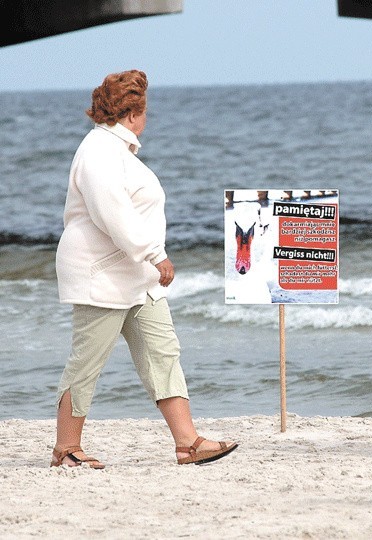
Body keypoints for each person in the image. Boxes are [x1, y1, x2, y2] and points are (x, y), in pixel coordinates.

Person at [51, 70, 238, 468]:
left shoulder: (118, 150)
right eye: (145, 110)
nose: (147, 118)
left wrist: (149, 261)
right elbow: (113, 214)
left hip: (136, 277)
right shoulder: (99, 150)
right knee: (87, 361)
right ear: (133, 113)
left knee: (163, 352)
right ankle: (66, 448)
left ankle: (188, 443)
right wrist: (155, 253)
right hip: (101, 274)